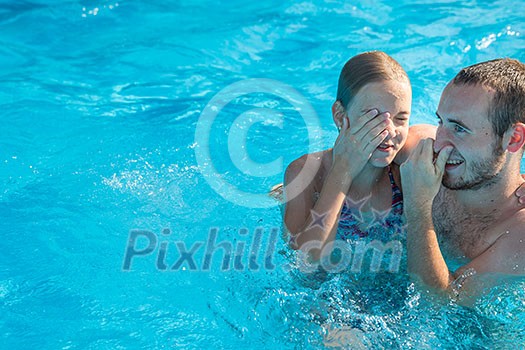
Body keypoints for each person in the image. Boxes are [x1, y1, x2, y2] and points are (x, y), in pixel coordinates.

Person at [282, 51, 435, 263]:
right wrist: (342, 170)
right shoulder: (307, 174)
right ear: (340, 115)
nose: (389, 131)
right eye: (373, 117)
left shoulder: (405, 166)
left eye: (400, 118)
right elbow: (303, 264)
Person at [400, 58, 525, 300]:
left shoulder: (518, 233)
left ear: (513, 139)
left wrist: (418, 207)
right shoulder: (424, 160)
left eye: (459, 129)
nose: (439, 143)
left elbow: (441, 304)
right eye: (441, 122)